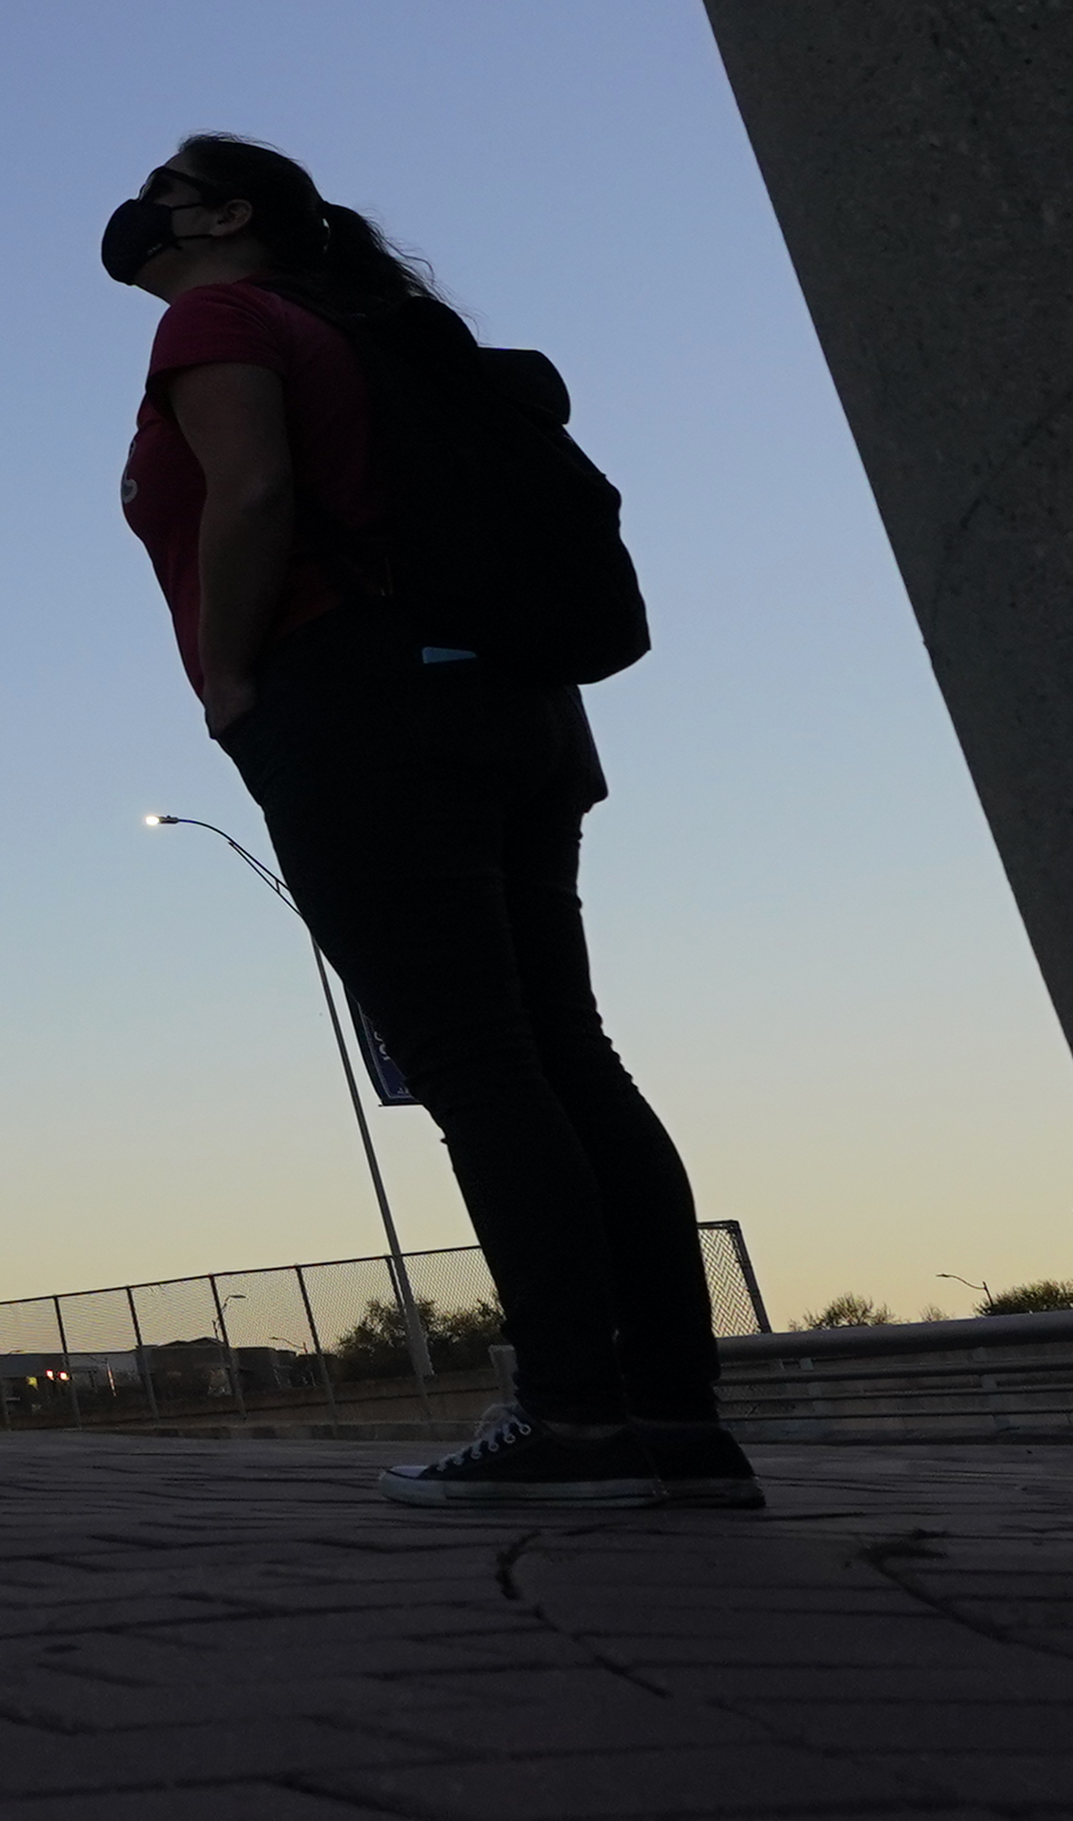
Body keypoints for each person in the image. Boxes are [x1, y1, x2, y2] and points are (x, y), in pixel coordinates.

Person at [104, 135, 754, 1512]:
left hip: (358, 705)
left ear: (224, 216)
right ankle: (676, 1424)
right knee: (567, 1051)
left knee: (479, 1063)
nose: (136, 211)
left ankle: (574, 1422)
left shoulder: (219, 318)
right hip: (512, 706)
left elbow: (255, 491)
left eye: (163, 191)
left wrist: (229, 678)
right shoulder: (373, 324)